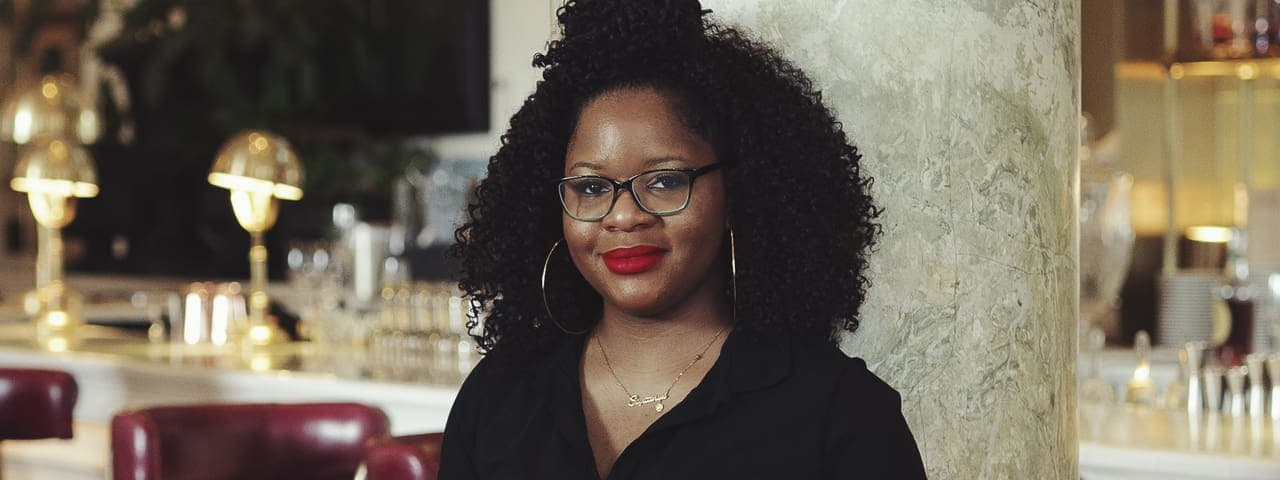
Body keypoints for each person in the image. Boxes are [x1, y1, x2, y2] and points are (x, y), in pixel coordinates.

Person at [440, 0, 925, 478]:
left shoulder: (841, 414)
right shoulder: (496, 398)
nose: (624, 216)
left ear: (736, 193)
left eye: (665, 181)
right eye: (590, 188)